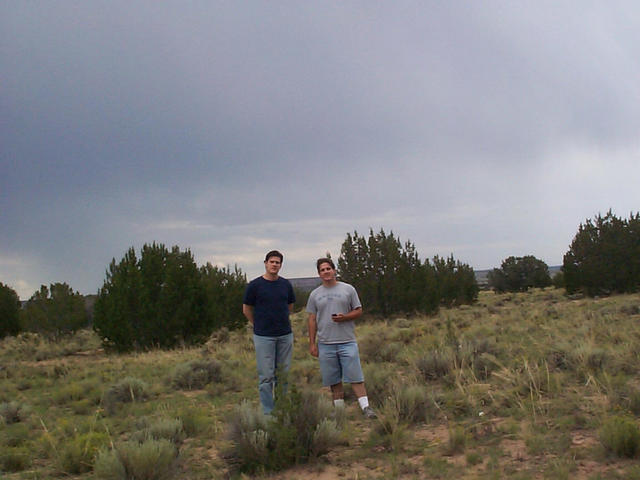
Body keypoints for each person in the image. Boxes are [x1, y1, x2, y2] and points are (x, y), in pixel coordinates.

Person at [306, 257, 376, 419]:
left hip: (347, 341)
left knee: (355, 376)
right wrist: (312, 343)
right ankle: (339, 410)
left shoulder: (348, 289)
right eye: (322, 270)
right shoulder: (315, 294)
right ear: (319, 274)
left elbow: (358, 310)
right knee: (333, 378)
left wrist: (345, 317)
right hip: (325, 343)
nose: (326, 272)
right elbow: (311, 319)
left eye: (328, 268)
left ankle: (366, 407)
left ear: (334, 270)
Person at [242, 250, 296, 415]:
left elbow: (290, 306)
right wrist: (258, 324)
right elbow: (246, 309)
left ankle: (281, 408)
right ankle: (268, 412)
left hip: (284, 335)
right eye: (272, 262)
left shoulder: (285, 284)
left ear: (281, 265)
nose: (274, 265)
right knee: (266, 376)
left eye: (277, 262)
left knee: (283, 374)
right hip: (264, 337)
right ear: (265, 263)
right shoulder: (255, 285)